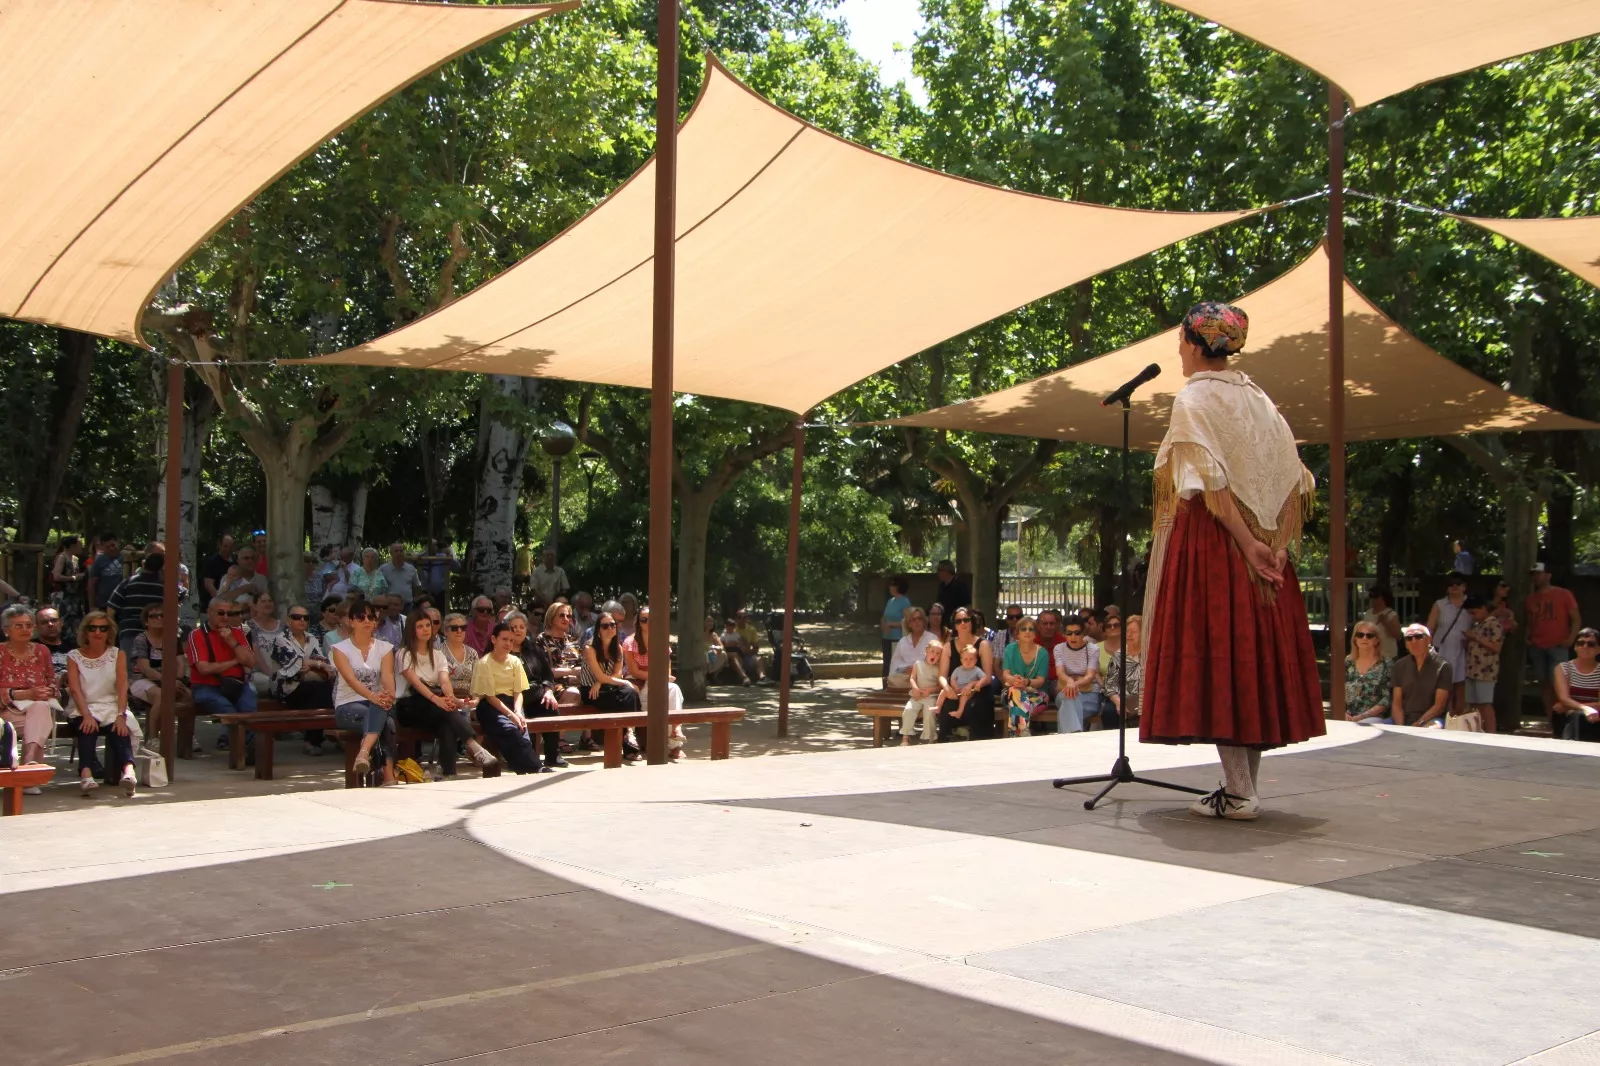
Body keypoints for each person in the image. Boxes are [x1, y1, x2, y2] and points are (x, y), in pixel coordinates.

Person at [1138, 302, 1323, 822]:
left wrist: (1246, 543)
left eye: (1180, 342)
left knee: (1221, 652)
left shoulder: (1194, 398)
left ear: (1197, 345)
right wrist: (1278, 544)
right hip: (1267, 547)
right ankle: (1240, 788)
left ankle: (1240, 790)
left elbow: (1209, 485)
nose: (1178, 351)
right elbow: (1295, 481)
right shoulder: (1261, 401)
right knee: (1252, 661)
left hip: (1219, 544)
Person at [396, 610, 495, 777]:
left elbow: (444, 681)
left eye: (428, 625)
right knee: (445, 710)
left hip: (435, 706)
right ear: (411, 630)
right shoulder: (404, 654)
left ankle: (448, 773)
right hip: (409, 705)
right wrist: (439, 700)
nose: (426, 629)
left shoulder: (438, 654)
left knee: (447, 724)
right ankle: (474, 746)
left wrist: (449, 698)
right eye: (420, 626)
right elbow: (416, 683)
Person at [66, 611, 139, 796]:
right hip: (83, 706)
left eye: (103, 628)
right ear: (85, 632)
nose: (97, 632)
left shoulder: (117, 654)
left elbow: (122, 686)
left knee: (120, 728)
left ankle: (129, 772)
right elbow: (74, 689)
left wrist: (121, 714)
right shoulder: (74, 656)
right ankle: (86, 774)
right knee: (86, 728)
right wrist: (87, 715)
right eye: (92, 628)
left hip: (111, 705)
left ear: (109, 632)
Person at [330, 601, 397, 783]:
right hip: (348, 705)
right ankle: (388, 776)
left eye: (371, 617)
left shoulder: (385, 648)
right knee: (383, 719)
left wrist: (388, 694)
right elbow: (351, 680)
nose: (366, 620)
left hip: (376, 704)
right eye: (361, 617)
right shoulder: (340, 649)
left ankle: (363, 754)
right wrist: (374, 697)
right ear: (352, 622)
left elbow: (387, 676)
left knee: (385, 719)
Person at [471, 622, 545, 774]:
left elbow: (519, 691)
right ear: (493, 639)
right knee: (510, 729)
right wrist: (511, 715)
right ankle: (536, 767)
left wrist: (518, 712)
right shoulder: (484, 663)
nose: (508, 644)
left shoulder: (515, 661)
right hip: (491, 706)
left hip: (512, 703)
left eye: (511, 640)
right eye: (504, 639)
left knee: (521, 729)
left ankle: (523, 768)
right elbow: (490, 697)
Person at [187, 597, 257, 755]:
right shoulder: (197, 635)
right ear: (209, 613)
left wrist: (232, 641)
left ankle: (250, 748)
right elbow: (204, 669)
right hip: (207, 686)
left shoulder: (237, 632)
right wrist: (234, 661)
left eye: (229, 613)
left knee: (250, 708)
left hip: (236, 684)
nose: (225, 617)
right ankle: (242, 750)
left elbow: (251, 662)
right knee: (228, 709)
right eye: (221, 613)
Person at [266, 604, 335, 753]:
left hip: (308, 685)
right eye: (297, 617)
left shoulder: (312, 638)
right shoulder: (280, 640)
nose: (302, 620)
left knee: (321, 691)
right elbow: (295, 662)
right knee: (321, 690)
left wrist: (311, 665)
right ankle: (315, 740)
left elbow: (320, 659)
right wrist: (314, 664)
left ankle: (314, 739)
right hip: (285, 687)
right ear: (288, 620)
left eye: (306, 618)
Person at [0, 606, 57, 784]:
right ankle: (30, 776)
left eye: (28, 625)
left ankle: (28, 762)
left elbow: (52, 682)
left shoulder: (42, 651)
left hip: (36, 710)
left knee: (40, 707)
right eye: (18, 626)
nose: (25, 629)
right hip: (5, 713)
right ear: (6, 630)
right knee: (38, 720)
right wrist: (22, 694)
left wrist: (49, 691)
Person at [624, 606, 687, 760]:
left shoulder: (661, 640)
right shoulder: (630, 642)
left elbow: (667, 668)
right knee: (664, 692)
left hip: (657, 682)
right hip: (638, 685)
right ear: (639, 622)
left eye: (651, 619)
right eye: (644, 620)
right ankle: (672, 744)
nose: (648, 623)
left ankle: (675, 736)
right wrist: (659, 678)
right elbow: (634, 671)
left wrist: (664, 678)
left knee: (674, 690)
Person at [128, 603, 193, 751]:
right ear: (146, 621)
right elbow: (145, 668)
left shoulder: (172, 638)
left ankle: (187, 738)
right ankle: (152, 738)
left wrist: (177, 680)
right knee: (161, 696)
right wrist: (169, 683)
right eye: (153, 616)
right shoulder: (141, 639)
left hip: (170, 680)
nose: (158, 619)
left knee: (188, 695)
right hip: (142, 680)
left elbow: (180, 663)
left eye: (162, 616)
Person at [581, 611, 644, 759]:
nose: (610, 628)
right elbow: (600, 675)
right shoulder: (589, 649)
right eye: (605, 626)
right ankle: (630, 740)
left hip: (605, 687)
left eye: (612, 625)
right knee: (628, 693)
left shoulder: (618, 649)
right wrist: (623, 681)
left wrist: (601, 682)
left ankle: (629, 734)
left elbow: (616, 674)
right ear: (598, 630)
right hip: (591, 691)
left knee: (629, 694)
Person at [1525, 562, 1581, 722]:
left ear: (1548, 575)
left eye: (1538, 573)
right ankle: (1552, 720)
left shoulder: (1564, 594)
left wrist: (1571, 638)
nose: (1536, 577)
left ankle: (1564, 719)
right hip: (1537, 646)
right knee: (1544, 683)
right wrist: (1528, 637)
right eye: (1533, 574)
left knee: (1560, 684)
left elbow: (1576, 619)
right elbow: (1530, 621)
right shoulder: (1530, 599)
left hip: (1558, 645)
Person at [942, 607, 996, 738]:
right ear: (954, 625)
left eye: (966, 620)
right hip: (956, 690)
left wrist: (972, 685)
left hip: (979, 690)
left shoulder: (983, 645)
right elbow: (942, 676)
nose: (962, 624)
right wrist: (947, 688)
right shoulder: (948, 646)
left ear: (972, 622)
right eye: (958, 621)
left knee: (973, 707)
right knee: (947, 707)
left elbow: (988, 677)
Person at [107, 547, 168, 658]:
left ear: (144, 565)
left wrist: (111, 631)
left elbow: (111, 608)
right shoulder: (164, 587)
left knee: (130, 669)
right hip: (154, 633)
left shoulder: (128, 582)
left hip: (129, 630)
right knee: (153, 667)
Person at [1391, 623, 1452, 728]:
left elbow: (1439, 706)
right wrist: (1401, 728)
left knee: (1429, 731)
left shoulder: (1443, 666)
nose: (1413, 641)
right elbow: (1397, 703)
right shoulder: (1399, 665)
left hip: (1432, 719)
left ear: (1429, 639)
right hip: (1404, 719)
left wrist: (1418, 724)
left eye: (1418, 637)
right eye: (1409, 638)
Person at [1426, 572, 1471, 714]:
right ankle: (1446, 715)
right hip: (1443, 649)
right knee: (1444, 683)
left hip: (1464, 649)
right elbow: (1430, 628)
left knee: (1461, 684)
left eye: (1458, 583)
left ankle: (1461, 716)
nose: (1454, 586)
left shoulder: (1472, 603)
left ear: (1464, 586)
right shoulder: (1439, 604)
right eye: (1451, 584)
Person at [999, 614, 1048, 738]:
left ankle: (1016, 735)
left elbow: (1040, 681)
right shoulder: (1010, 649)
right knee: (1016, 693)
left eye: (1031, 629)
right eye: (1023, 629)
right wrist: (1015, 681)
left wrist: (1026, 682)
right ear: (1017, 633)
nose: (1027, 631)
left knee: (1021, 702)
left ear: (1036, 633)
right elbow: (1005, 674)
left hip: (1036, 694)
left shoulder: (1042, 653)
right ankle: (1023, 731)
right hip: (1011, 692)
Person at [1459, 596, 1502, 733]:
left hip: (1486, 671)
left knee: (1485, 703)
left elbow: (1496, 647)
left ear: (1483, 609)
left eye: (1474, 612)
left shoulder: (1494, 623)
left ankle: (1491, 732)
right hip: (1472, 669)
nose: (1472, 616)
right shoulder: (1477, 625)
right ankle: (1477, 730)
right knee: (1473, 703)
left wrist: (1475, 638)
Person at [1053, 617, 1101, 733]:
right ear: (1064, 634)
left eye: (1077, 633)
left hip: (1089, 693)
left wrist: (1074, 684)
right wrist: (1070, 682)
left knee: (1068, 705)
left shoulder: (1093, 649)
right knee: (1069, 698)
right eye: (1069, 633)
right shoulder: (1059, 648)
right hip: (1065, 691)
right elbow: (1060, 672)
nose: (1073, 637)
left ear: (1083, 633)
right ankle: (1075, 736)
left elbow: (1090, 676)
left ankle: (1070, 738)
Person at [1553, 628, 1600, 742]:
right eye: (1580, 643)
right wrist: (1585, 708)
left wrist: (1574, 707)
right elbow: (1564, 698)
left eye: (1591, 644)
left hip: (1594, 717)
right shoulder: (1563, 668)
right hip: (1568, 717)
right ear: (1575, 647)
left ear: (1598, 649)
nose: (1585, 647)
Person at [1343, 620, 1393, 725]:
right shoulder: (1348, 662)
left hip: (1373, 718)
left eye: (1369, 636)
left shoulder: (1386, 664)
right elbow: (1338, 692)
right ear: (1355, 639)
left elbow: (1386, 699)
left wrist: (1363, 716)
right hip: (1346, 716)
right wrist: (1342, 713)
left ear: (1377, 640)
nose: (1364, 638)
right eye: (1360, 635)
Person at [898, 638, 946, 746]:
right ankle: (905, 736)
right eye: (932, 651)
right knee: (909, 709)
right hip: (917, 695)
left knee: (929, 712)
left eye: (938, 653)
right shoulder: (918, 664)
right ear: (926, 651)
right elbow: (912, 678)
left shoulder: (938, 669)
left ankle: (930, 737)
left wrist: (930, 690)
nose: (934, 655)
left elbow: (939, 686)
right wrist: (915, 688)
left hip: (931, 696)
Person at [1104, 615, 1144, 728]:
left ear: (1143, 633)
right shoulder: (1118, 655)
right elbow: (1109, 686)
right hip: (1122, 698)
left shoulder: (1150, 654)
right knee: (1109, 712)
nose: (1129, 635)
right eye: (1127, 632)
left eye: (1133, 632)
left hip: (1144, 699)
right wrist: (1118, 702)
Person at [885, 607, 932, 691]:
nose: (917, 622)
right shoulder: (903, 642)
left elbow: (935, 664)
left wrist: (916, 670)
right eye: (913, 620)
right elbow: (894, 666)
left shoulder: (932, 639)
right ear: (909, 624)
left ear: (924, 621)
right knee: (891, 678)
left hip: (924, 678)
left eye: (919, 618)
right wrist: (904, 669)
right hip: (904, 678)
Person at [949, 643, 990, 735]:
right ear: (961, 660)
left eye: (971, 659)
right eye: (965, 659)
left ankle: (959, 711)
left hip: (969, 691)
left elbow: (984, 677)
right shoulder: (958, 669)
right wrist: (955, 686)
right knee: (944, 692)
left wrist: (979, 683)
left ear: (976, 660)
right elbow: (952, 678)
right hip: (958, 689)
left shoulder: (976, 670)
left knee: (964, 697)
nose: (968, 661)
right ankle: (938, 707)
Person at [50, 534, 87, 634]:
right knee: (63, 622)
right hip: (63, 595)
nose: (81, 547)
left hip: (74, 596)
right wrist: (74, 578)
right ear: (72, 545)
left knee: (75, 623)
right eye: (79, 544)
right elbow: (56, 575)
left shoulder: (75, 559)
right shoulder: (62, 557)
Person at [440, 612, 479, 702]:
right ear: (445, 631)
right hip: (446, 699)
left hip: (469, 699)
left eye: (463, 628)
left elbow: (477, 680)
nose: (459, 631)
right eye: (454, 628)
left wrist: (475, 700)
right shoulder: (438, 651)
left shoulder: (472, 653)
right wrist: (455, 700)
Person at [880, 577, 911, 686]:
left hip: (897, 637)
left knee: (895, 663)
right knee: (886, 662)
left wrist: (891, 625)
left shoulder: (904, 601)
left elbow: (907, 621)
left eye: (893, 585)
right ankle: (885, 686)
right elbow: (884, 617)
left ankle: (895, 686)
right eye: (890, 584)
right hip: (886, 636)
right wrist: (884, 624)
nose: (890, 587)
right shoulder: (890, 601)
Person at [1362, 585, 1403, 661]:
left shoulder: (1391, 614)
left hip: (1388, 655)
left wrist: (1386, 622)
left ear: (1383, 597)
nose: (1372, 599)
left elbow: (1398, 635)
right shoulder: (1368, 613)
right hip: (1372, 655)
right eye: (1371, 596)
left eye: (1375, 596)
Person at [85, 533, 124, 611]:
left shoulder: (126, 557)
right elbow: (92, 584)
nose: (111, 548)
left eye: (113, 545)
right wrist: (92, 607)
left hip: (123, 603)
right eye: (107, 547)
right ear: (103, 547)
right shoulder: (99, 560)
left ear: (118, 543)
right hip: (104, 604)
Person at [378, 543, 420, 609]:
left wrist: (415, 599)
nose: (399, 553)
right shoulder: (383, 569)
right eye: (396, 551)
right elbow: (378, 588)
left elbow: (416, 586)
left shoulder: (411, 569)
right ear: (391, 553)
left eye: (401, 551)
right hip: (390, 607)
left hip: (408, 606)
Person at [200, 532, 235, 610]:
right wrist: (219, 601)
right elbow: (208, 584)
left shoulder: (235, 563)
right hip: (211, 608)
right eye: (225, 546)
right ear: (220, 545)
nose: (228, 549)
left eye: (230, 546)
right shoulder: (212, 562)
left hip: (229, 608)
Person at [720, 617, 758, 686]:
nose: (731, 628)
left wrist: (740, 645)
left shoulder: (736, 635)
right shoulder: (723, 635)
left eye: (732, 626)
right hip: (728, 653)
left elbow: (741, 646)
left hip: (737, 652)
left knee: (737, 658)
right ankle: (744, 677)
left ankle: (742, 677)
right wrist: (727, 645)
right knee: (734, 657)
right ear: (726, 626)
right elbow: (721, 646)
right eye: (729, 626)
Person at [418, 540, 457, 605]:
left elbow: (456, 567)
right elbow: (414, 562)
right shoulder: (423, 556)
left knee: (441, 613)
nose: (434, 547)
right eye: (432, 545)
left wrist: (449, 554)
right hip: (426, 592)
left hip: (441, 593)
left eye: (436, 545)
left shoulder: (444, 556)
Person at [704, 614, 732, 683]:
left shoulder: (714, 634)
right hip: (702, 655)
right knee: (704, 655)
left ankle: (714, 676)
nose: (710, 623)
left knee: (723, 654)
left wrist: (715, 648)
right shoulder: (699, 633)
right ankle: (704, 677)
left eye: (712, 621)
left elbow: (721, 646)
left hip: (711, 655)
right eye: (708, 621)